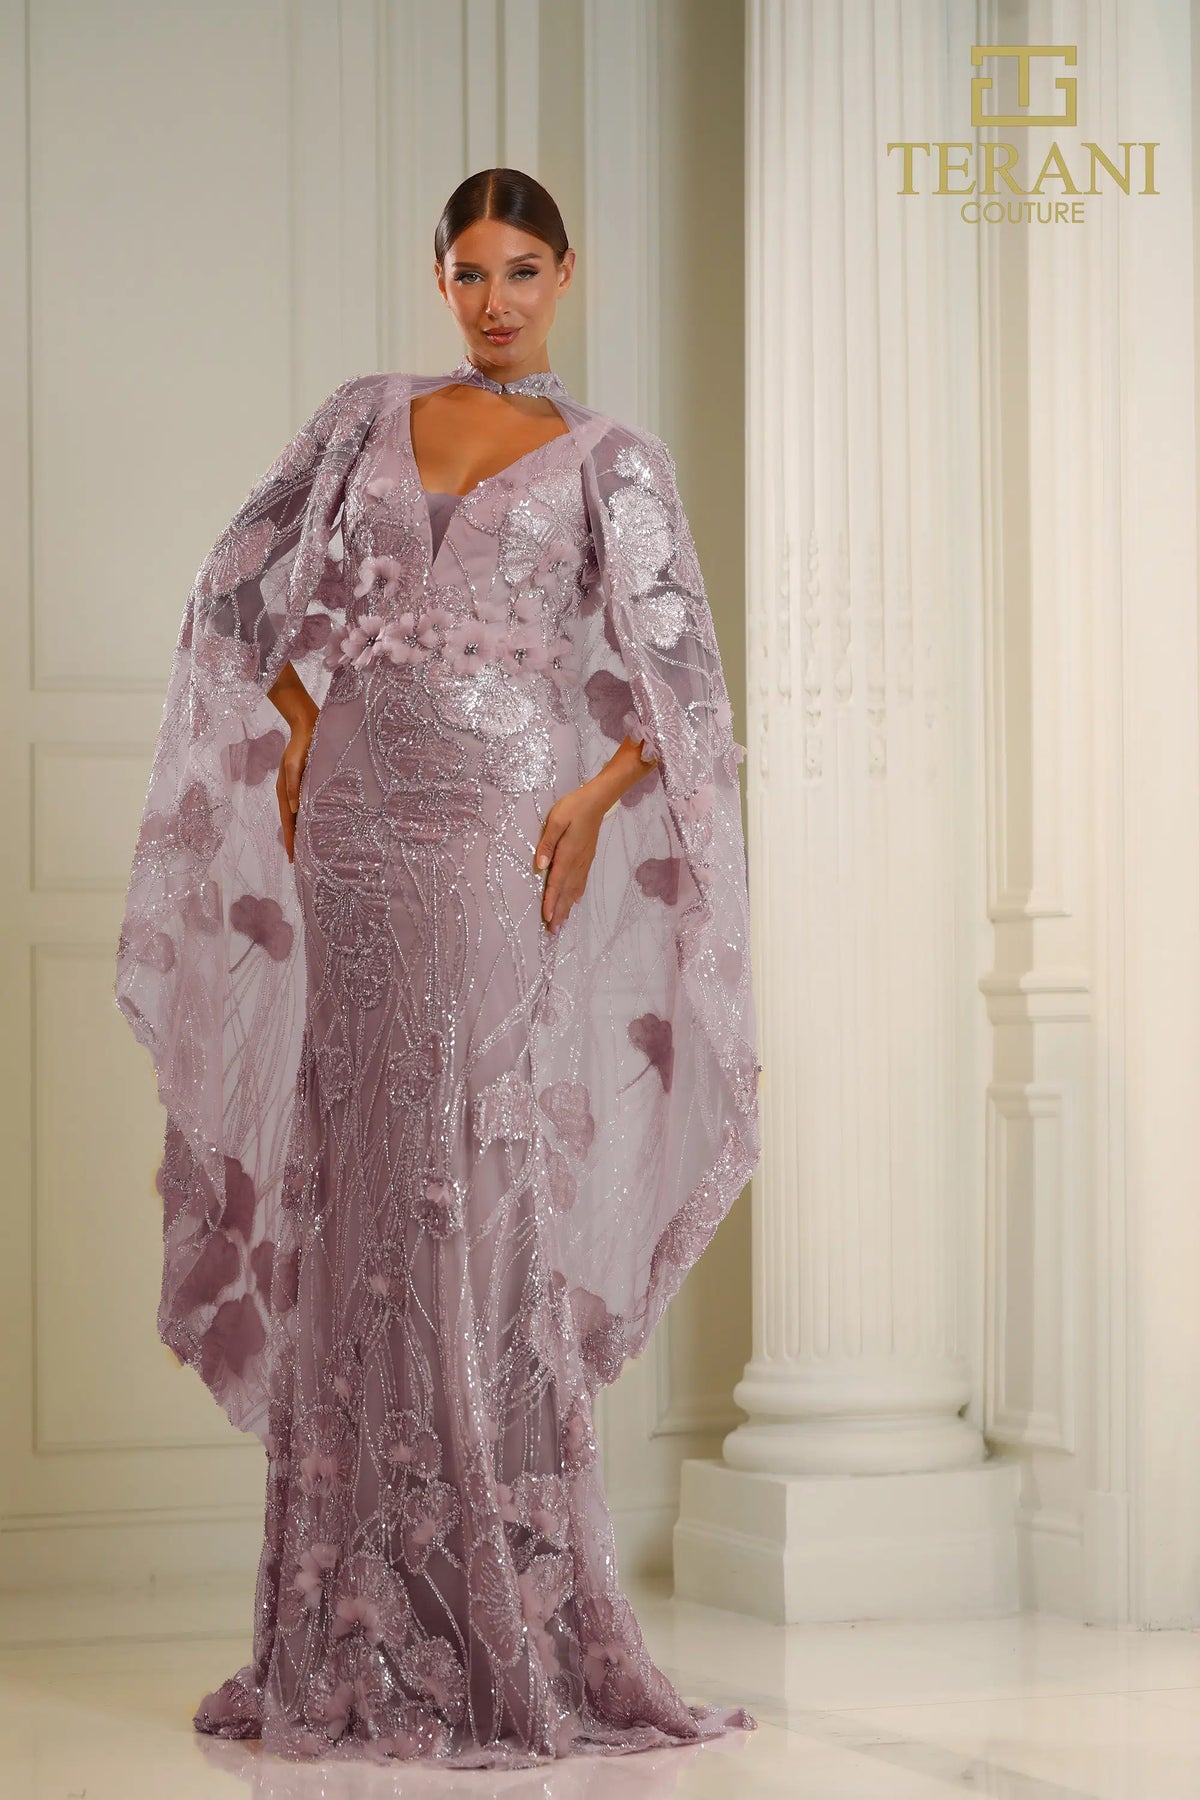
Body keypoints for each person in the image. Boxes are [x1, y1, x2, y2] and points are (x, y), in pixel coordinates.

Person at [115, 166, 762, 1770]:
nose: (494, 302)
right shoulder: (364, 418)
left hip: (494, 829)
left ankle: (495, 1603)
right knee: (358, 1169)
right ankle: (348, 1613)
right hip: (351, 829)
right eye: (470, 273)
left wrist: (590, 804)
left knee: (473, 1167)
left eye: (522, 272)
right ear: (440, 280)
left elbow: (686, 692)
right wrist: (303, 723)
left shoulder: (614, 460)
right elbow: (231, 590)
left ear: (566, 277)